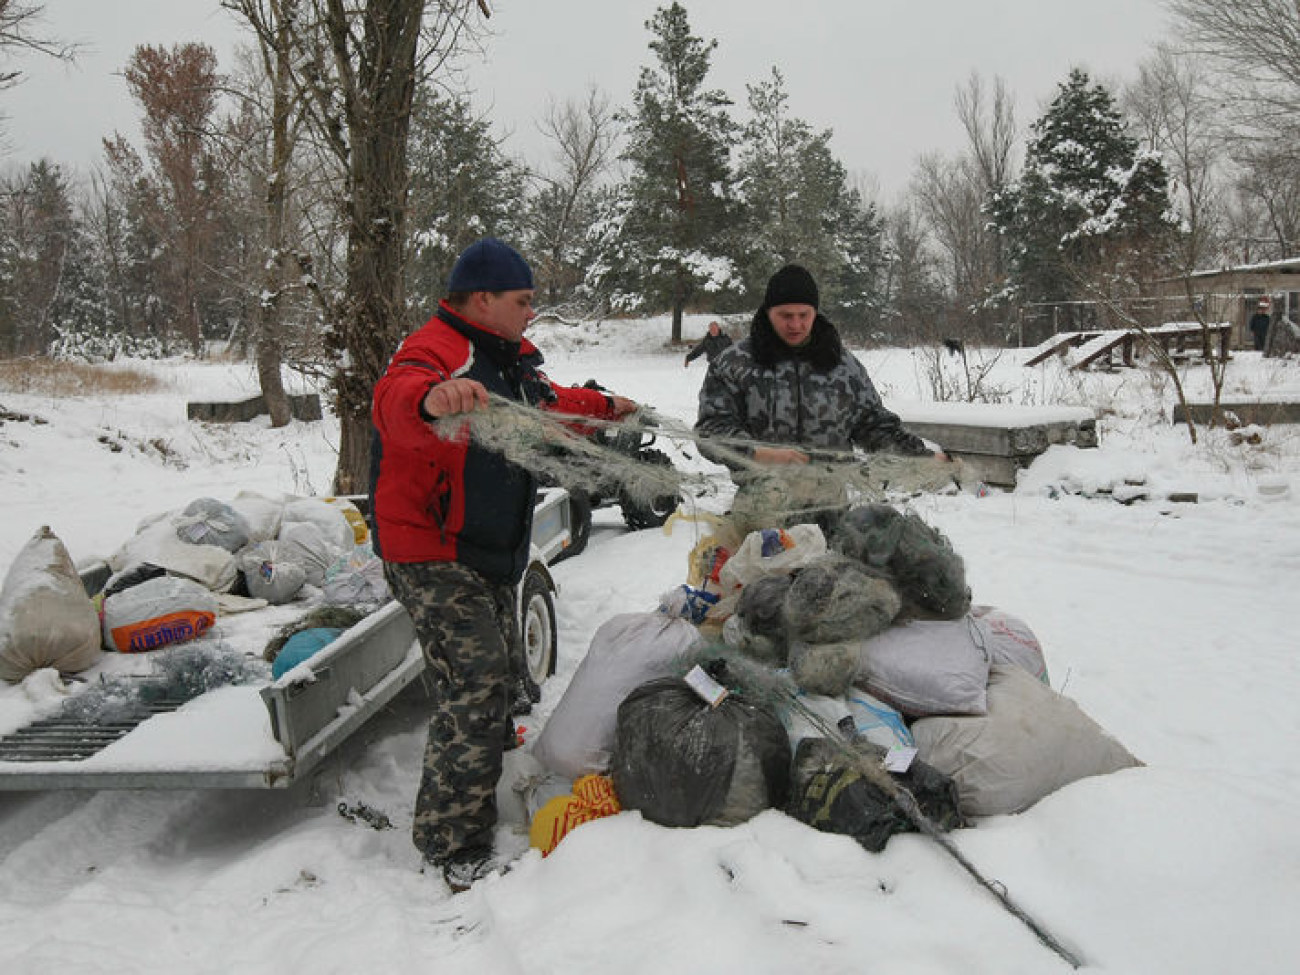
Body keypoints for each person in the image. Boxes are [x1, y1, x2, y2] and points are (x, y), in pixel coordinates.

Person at [370, 237, 635, 891]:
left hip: (484, 549)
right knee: (478, 682)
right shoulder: (437, 348)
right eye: (523, 301)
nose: (531, 313)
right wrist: (432, 400)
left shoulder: (509, 360)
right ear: (482, 299)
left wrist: (604, 408)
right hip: (429, 548)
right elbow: (395, 396)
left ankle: (483, 779)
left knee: (502, 683)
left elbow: (545, 406)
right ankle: (450, 841)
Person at [695, 264, 945, 524]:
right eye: (786, 315)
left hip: (832, 513)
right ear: (768, 312)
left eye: (804, 315)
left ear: (815, 312)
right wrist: (758, 453)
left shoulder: (842, 365)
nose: (796, 324)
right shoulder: (735, 363)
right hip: (762, 511)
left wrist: (921, 457)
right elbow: (710, 430)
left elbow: (874, 426)